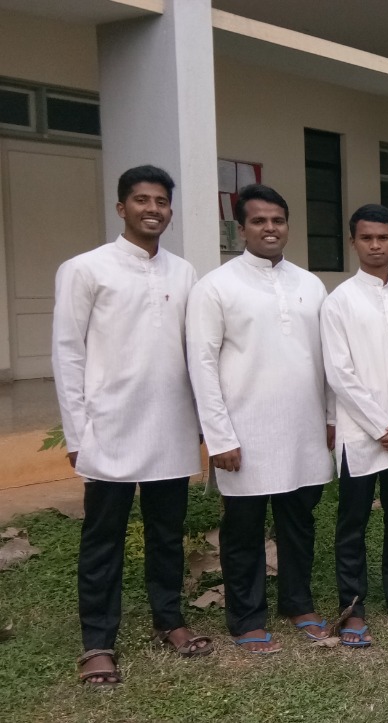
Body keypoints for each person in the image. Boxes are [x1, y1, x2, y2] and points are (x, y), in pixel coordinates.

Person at [52, 165, 210, 686]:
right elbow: (68, 354)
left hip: (170, 425)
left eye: (161, 201)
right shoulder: (85, 269)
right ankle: (98, 641)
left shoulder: (183, 273)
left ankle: (170, 620)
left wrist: (202, 421)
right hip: (110, 427)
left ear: (170, 211)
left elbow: (193, 352)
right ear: (121, 207)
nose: (152, 209)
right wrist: (76, 432)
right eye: (142, 200)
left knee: (167, 534)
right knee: (104, 540)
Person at [187, 184, 334, 654]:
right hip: (244, 433)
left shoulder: (310, 285)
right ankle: (247, 617)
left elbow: (327, 359)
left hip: (303, 429)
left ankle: (298, 603)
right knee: (244, 530)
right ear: (241, 228)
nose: (270, 229)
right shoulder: (216, 287)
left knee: (298, 524)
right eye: (258, 221)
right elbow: (202, 365)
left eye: (277, 220)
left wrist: (330, 418)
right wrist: (219, 436)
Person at [322, 204, 388, 648]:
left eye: (382, 237)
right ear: (353, 243)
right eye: (366, 238)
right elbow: (339, 374)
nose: (375, 245)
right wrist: (384, 428)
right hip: (360, 435)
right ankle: (352, 607)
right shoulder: (339, 302)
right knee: (353, 522)